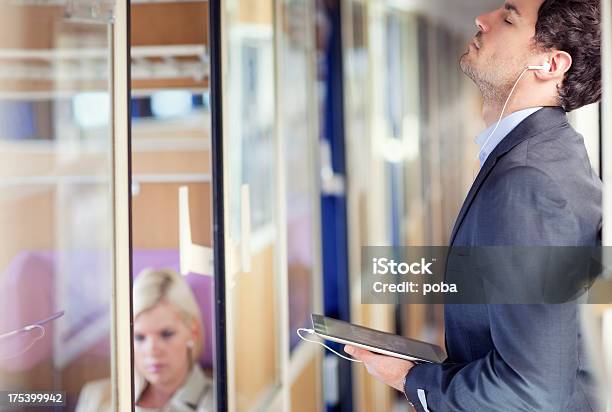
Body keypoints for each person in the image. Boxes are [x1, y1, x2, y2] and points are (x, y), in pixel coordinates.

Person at [345, 0, 603, 411]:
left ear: (551, 63)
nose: (482, 20)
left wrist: (410, 379)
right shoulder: (539, 155)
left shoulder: (530, 183)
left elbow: (531, 390)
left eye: (508, 18)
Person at [77, 268, 213, 412]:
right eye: (139, 337)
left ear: (193, 331)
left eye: (166, 334)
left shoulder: (222, 402)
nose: (152, 350)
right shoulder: (96, 398)